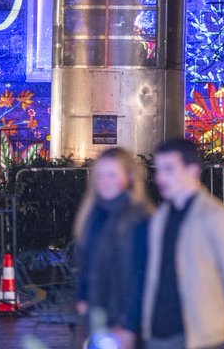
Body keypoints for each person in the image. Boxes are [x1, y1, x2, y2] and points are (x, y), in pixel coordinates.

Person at [142, 138, 224, 349]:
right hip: (159, 332)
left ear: (192, 170)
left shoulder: (217, 218)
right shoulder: (160, 218)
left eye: (169, 169)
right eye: (159, 170)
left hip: (200, 334)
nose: (161, 178)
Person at [74, 147, 152, 349]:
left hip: (125, 321)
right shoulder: (93, 215)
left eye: (112, 175)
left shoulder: (140, 218)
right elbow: (87, 262)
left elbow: (141, 275)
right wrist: (83, 297)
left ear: (129, 177)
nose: (105, 181)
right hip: (99, 317)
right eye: (100, 175)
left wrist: (128, 325)